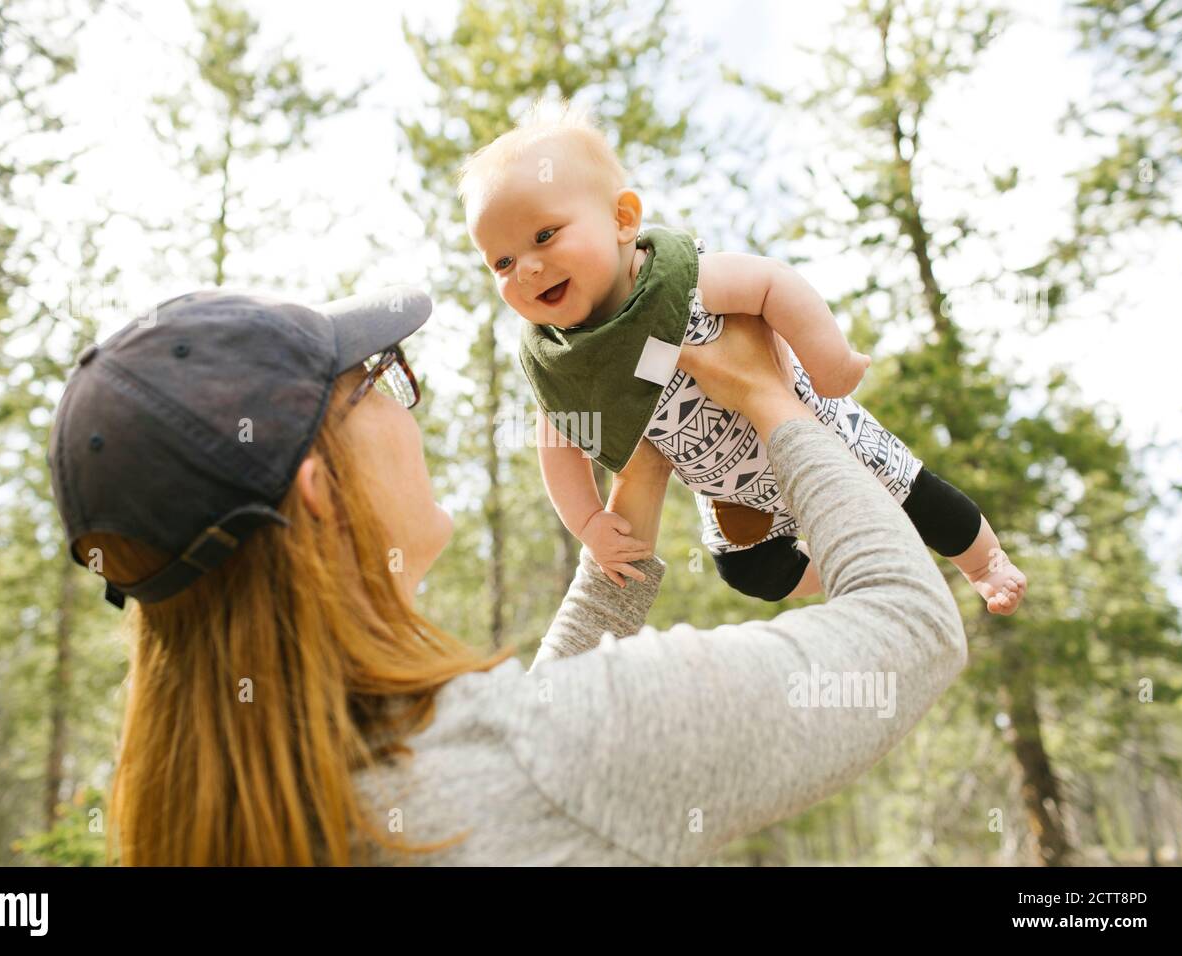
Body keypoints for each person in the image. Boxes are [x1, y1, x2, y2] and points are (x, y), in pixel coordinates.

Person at [47, 283, 967, 866]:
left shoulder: (237, 815)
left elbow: (527, 745)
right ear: (318, 489)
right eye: (381, 380)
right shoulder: (536, 756)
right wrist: (773, 403)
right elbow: (908, 630)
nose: (410, 404)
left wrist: (647, 459)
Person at [459, 97, 1027, 615]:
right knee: (752, 573)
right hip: (732, 491)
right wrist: (588, 521)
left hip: (818, 437)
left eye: (544, 236)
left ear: (622, 220)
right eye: (502, 263)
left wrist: (828, 361)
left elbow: (771, 283)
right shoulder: (561, 360)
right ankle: (848, 566)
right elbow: (558, 440)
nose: (526, 269)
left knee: (920, 500)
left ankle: (985, 562)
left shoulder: (677, 280)